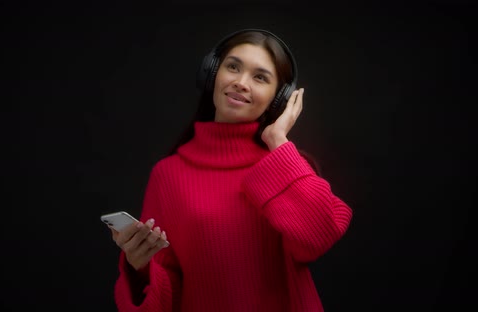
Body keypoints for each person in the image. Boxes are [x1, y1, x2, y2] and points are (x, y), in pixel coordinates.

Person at [107, 28, 353, 312]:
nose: (241, 82)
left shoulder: (286, 165)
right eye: (233, 67)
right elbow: (169, 287)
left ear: (278, 98)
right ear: (212, 74)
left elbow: (318, 238)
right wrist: (140, 268)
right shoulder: (168, 174)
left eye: (260, 77)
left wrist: (277, 140)